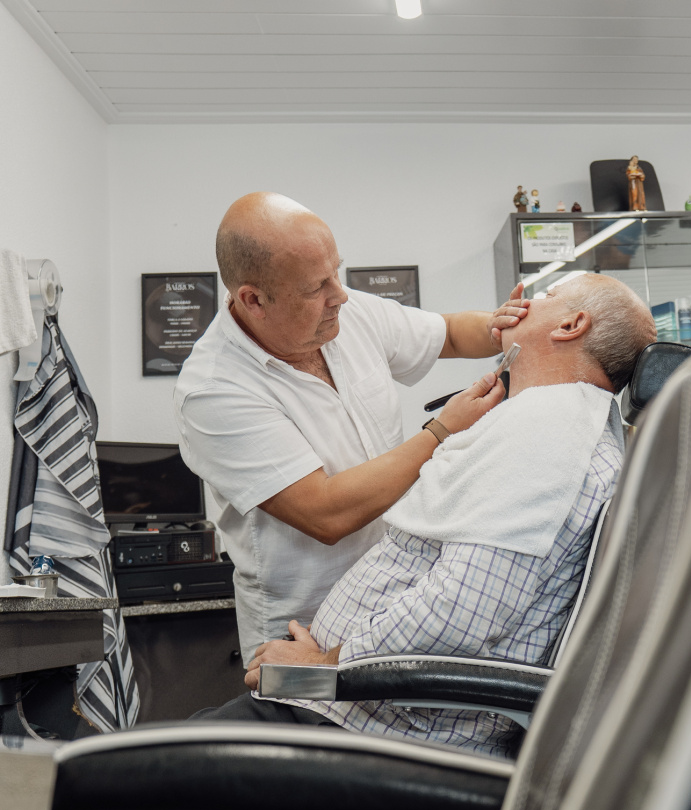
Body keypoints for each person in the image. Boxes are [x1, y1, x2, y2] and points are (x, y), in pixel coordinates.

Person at [0, 275, 656, 810]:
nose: (525, 301)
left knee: (105, 787)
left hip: (376, 729)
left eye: (545, 295)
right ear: (253, 296)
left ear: (570, 326)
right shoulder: (551, 424)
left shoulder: (546, 432)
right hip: (367, 713)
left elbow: (464, 611)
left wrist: (322, 666)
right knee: (130, 795)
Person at [176, 191, 528, 664]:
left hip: (393, 599)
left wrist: (505, 328)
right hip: (302, 631)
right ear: (253, 299)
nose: (339, 295)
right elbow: (326, 514)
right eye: (315, 287)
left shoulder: (347, 312)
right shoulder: (213, 390)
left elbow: (448, 333)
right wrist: (441, 432)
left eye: (336, 272)